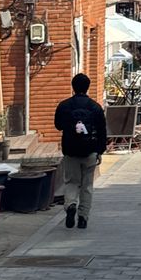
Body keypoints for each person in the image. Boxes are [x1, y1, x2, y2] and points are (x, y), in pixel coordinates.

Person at [54, 73, 108, 230]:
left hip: (70, 151)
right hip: (90, 151)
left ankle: (71, 205)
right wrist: (100, 151)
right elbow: (102, 131)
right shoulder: (95, 107)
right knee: (87, 185)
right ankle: (83, 217)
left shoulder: (64, 106)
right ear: (88, 87)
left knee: (72, 182)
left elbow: (58, 125)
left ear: (73, 87)